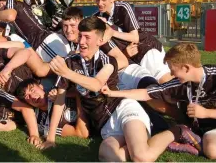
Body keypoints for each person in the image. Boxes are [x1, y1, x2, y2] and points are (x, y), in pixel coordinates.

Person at [35, 17, 196, 162]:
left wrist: (66, 73)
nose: (82, 42)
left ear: (99, 40)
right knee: (108, 156)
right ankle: (144, 146)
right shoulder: (70, 62)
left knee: (141, 157)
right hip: (105, 124)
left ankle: (177, 131)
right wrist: (51, 138)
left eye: (87, 37)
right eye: (81, 36)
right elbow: (60, 101)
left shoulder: (107, 60)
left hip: (123, 110)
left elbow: (97, 84)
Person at [101, 43, 216, 159]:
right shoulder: (180, 83)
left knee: (212, 150)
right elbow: (146, 93)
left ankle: (193, 142)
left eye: (172, 69)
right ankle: (192, 139)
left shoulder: (214, 77)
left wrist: (206, 113)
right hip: (205, 131)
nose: (171, 74)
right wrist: (112, 93)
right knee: (211, 148)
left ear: (186, 68)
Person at [93, 0, 174, 84]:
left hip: (146, 48)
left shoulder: (122, 8)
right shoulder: (97, 17)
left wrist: (111, 30)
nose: (100, 3)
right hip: (130, 57)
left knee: (163, 80)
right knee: (150, 86)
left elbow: (135, 37)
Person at [16, 78, 89, 139]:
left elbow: (81, 88)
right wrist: (78, 99)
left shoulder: (57, 88)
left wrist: (61, 96)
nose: (32, 96)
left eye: (32, 90)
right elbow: (82, 133)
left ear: (41, 86)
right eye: (27, 97)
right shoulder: (44, 122)